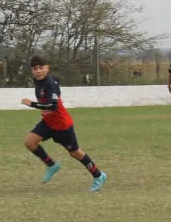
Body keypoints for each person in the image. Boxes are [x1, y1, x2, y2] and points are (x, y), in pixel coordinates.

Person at [21, 55, 107, 192]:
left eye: (41, 68)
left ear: (47, 68)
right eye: (35, 69)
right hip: (48, 122)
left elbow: (53, 106)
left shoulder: (50, 84)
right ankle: (52, 165)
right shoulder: (37, 81)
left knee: (75, 153)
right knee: (30, 142)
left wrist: (32, 104)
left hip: (62, 125)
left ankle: (98, 175)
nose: (38, 71)